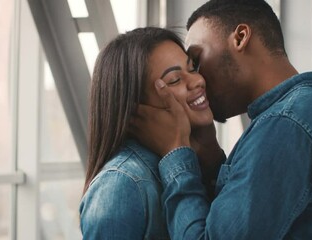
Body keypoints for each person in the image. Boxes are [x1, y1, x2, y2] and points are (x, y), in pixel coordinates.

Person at [132, 0, 312, 239]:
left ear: (240, 37)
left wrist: (176, 152)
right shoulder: (306, 112)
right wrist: (211, 154)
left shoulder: (286, 126)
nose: (198, 80)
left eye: (197, 61)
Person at [79, 27, 218, 239]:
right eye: (174, 80)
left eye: (192, 69)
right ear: (137, 107)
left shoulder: (193, 157)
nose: (197, 81)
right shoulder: (120, 185)